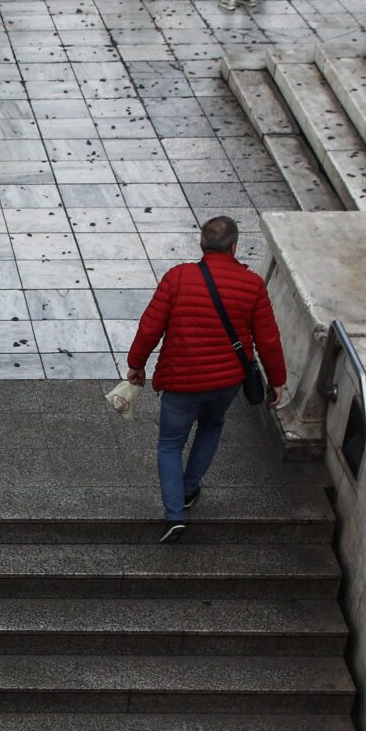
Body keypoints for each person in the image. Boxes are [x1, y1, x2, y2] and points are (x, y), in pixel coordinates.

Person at [127, 215, 286, 542]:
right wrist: (278, 380)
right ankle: (189, 489)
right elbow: (268, 339)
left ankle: (174, 515)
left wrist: (136, 364)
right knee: (212, 427)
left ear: (202, 245)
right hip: (226, 382)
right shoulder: (252, 285)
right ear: (234, 246)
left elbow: (150, 328)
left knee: (170, 444)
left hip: (180, 381)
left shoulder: (178, 278)